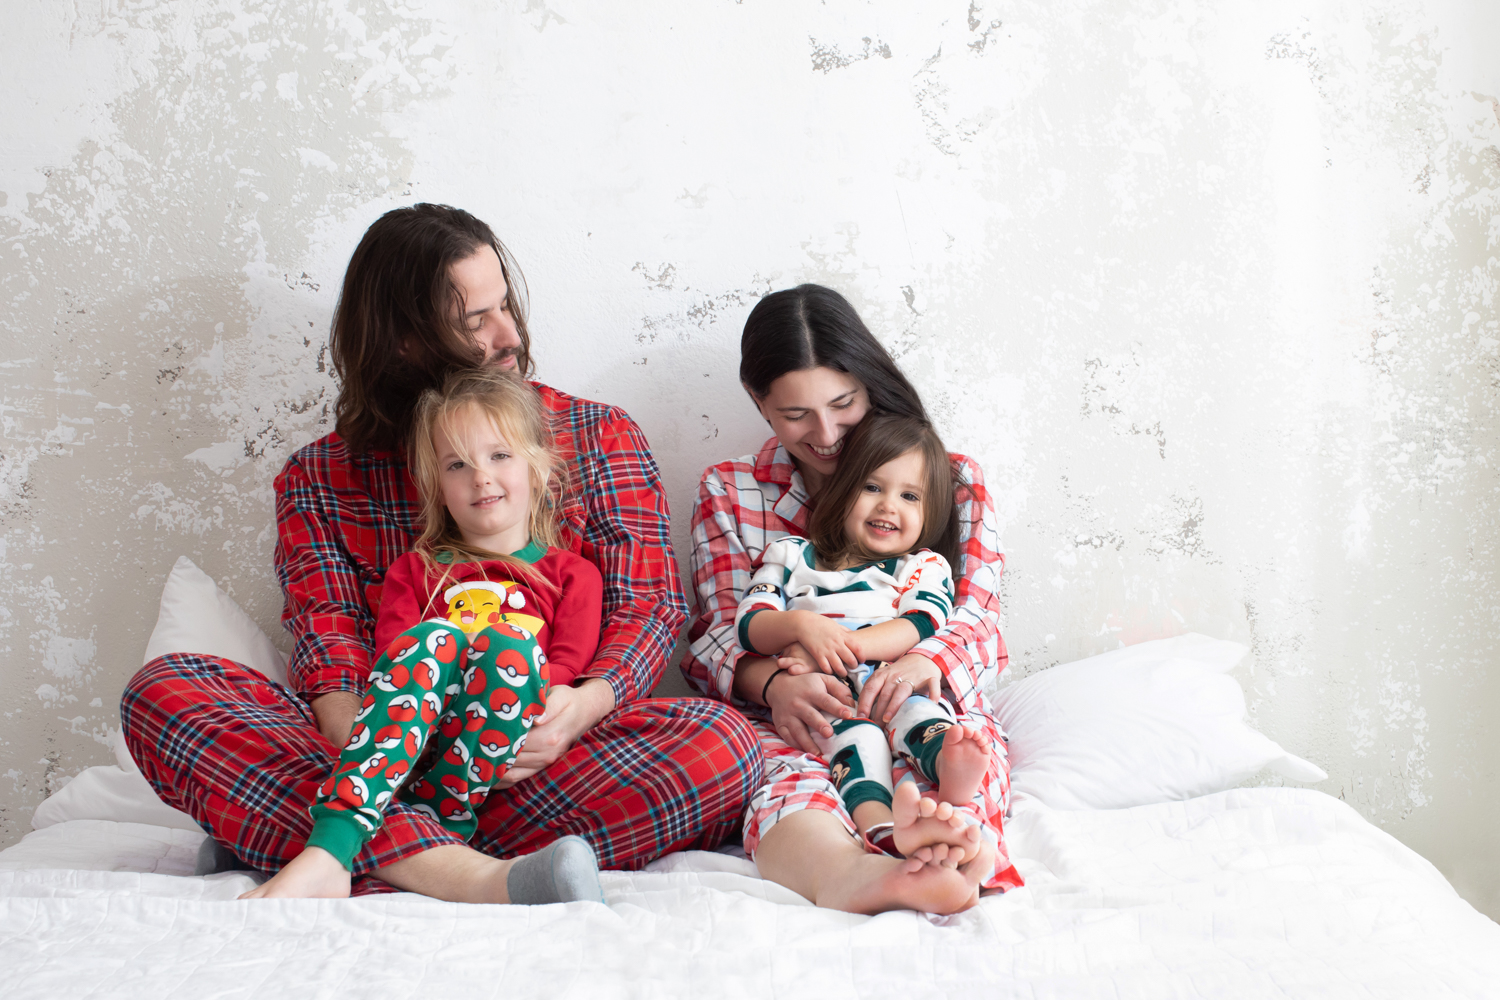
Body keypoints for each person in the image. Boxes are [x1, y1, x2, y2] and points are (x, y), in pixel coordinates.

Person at [122, 203, 762, 902]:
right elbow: (328, 642)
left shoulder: (596, 433)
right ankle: (474, 876)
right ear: (404, 341)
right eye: (474, 321)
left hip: (536, 766)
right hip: (376, 747)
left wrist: (572, 712)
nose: (510, 334)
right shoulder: (321, 477)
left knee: (723, 747)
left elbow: (650, 608)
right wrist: (372, 740)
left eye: (506, 306)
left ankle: (313, 841)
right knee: (164, 692)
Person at [685, 283, 1023, 915]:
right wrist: (775, 687)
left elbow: (978, 616)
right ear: (759, 404)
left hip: (924, 692)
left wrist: (922, 663)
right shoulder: (731, 492)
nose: (828, 433)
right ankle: (851, 873)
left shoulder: (951, 480)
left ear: (870, 381)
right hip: (806, 708)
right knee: (791, 772)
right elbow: (715, 638)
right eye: (795, 416)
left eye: (843, 403)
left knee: (959, 747)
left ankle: (960, 850)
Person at [243, 368, 605, 901]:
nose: (481, 477)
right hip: (410, 739)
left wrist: (524, 687)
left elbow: (566, 673)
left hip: (512, 745)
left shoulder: (573, 574)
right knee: (435, 640)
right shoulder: (415, 572)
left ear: (540, 468)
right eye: (458, 464)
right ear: (437, 487)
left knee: (510, 645)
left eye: (499, 455)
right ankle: (349, 842)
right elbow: (396, 662)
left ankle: (335, 838)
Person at [734, 412, 993, 881]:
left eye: (909, 496)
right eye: (872, 487)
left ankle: (950, 767)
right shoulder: (791, 555)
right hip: (824, 696)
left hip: (890, 680)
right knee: (857, 744)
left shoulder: (920, 566)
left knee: (921, 714)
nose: (888, 506)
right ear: (841, 489)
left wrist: (841, 646)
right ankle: (885, 830)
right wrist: (800, 627)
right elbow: (750, 626)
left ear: (929, 513)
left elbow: (919, 623)